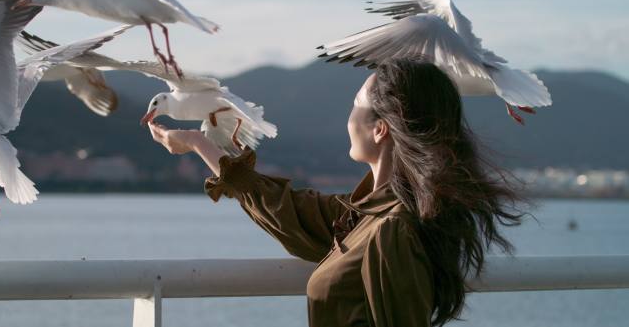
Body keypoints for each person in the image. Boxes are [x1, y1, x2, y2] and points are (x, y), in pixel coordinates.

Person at [148, 60, 524, 327]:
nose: (348, 119)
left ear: (380, 129)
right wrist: (199, 142)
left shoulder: (391, 230)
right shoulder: (366, 217)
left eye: (354, 106)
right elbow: (285, 210)